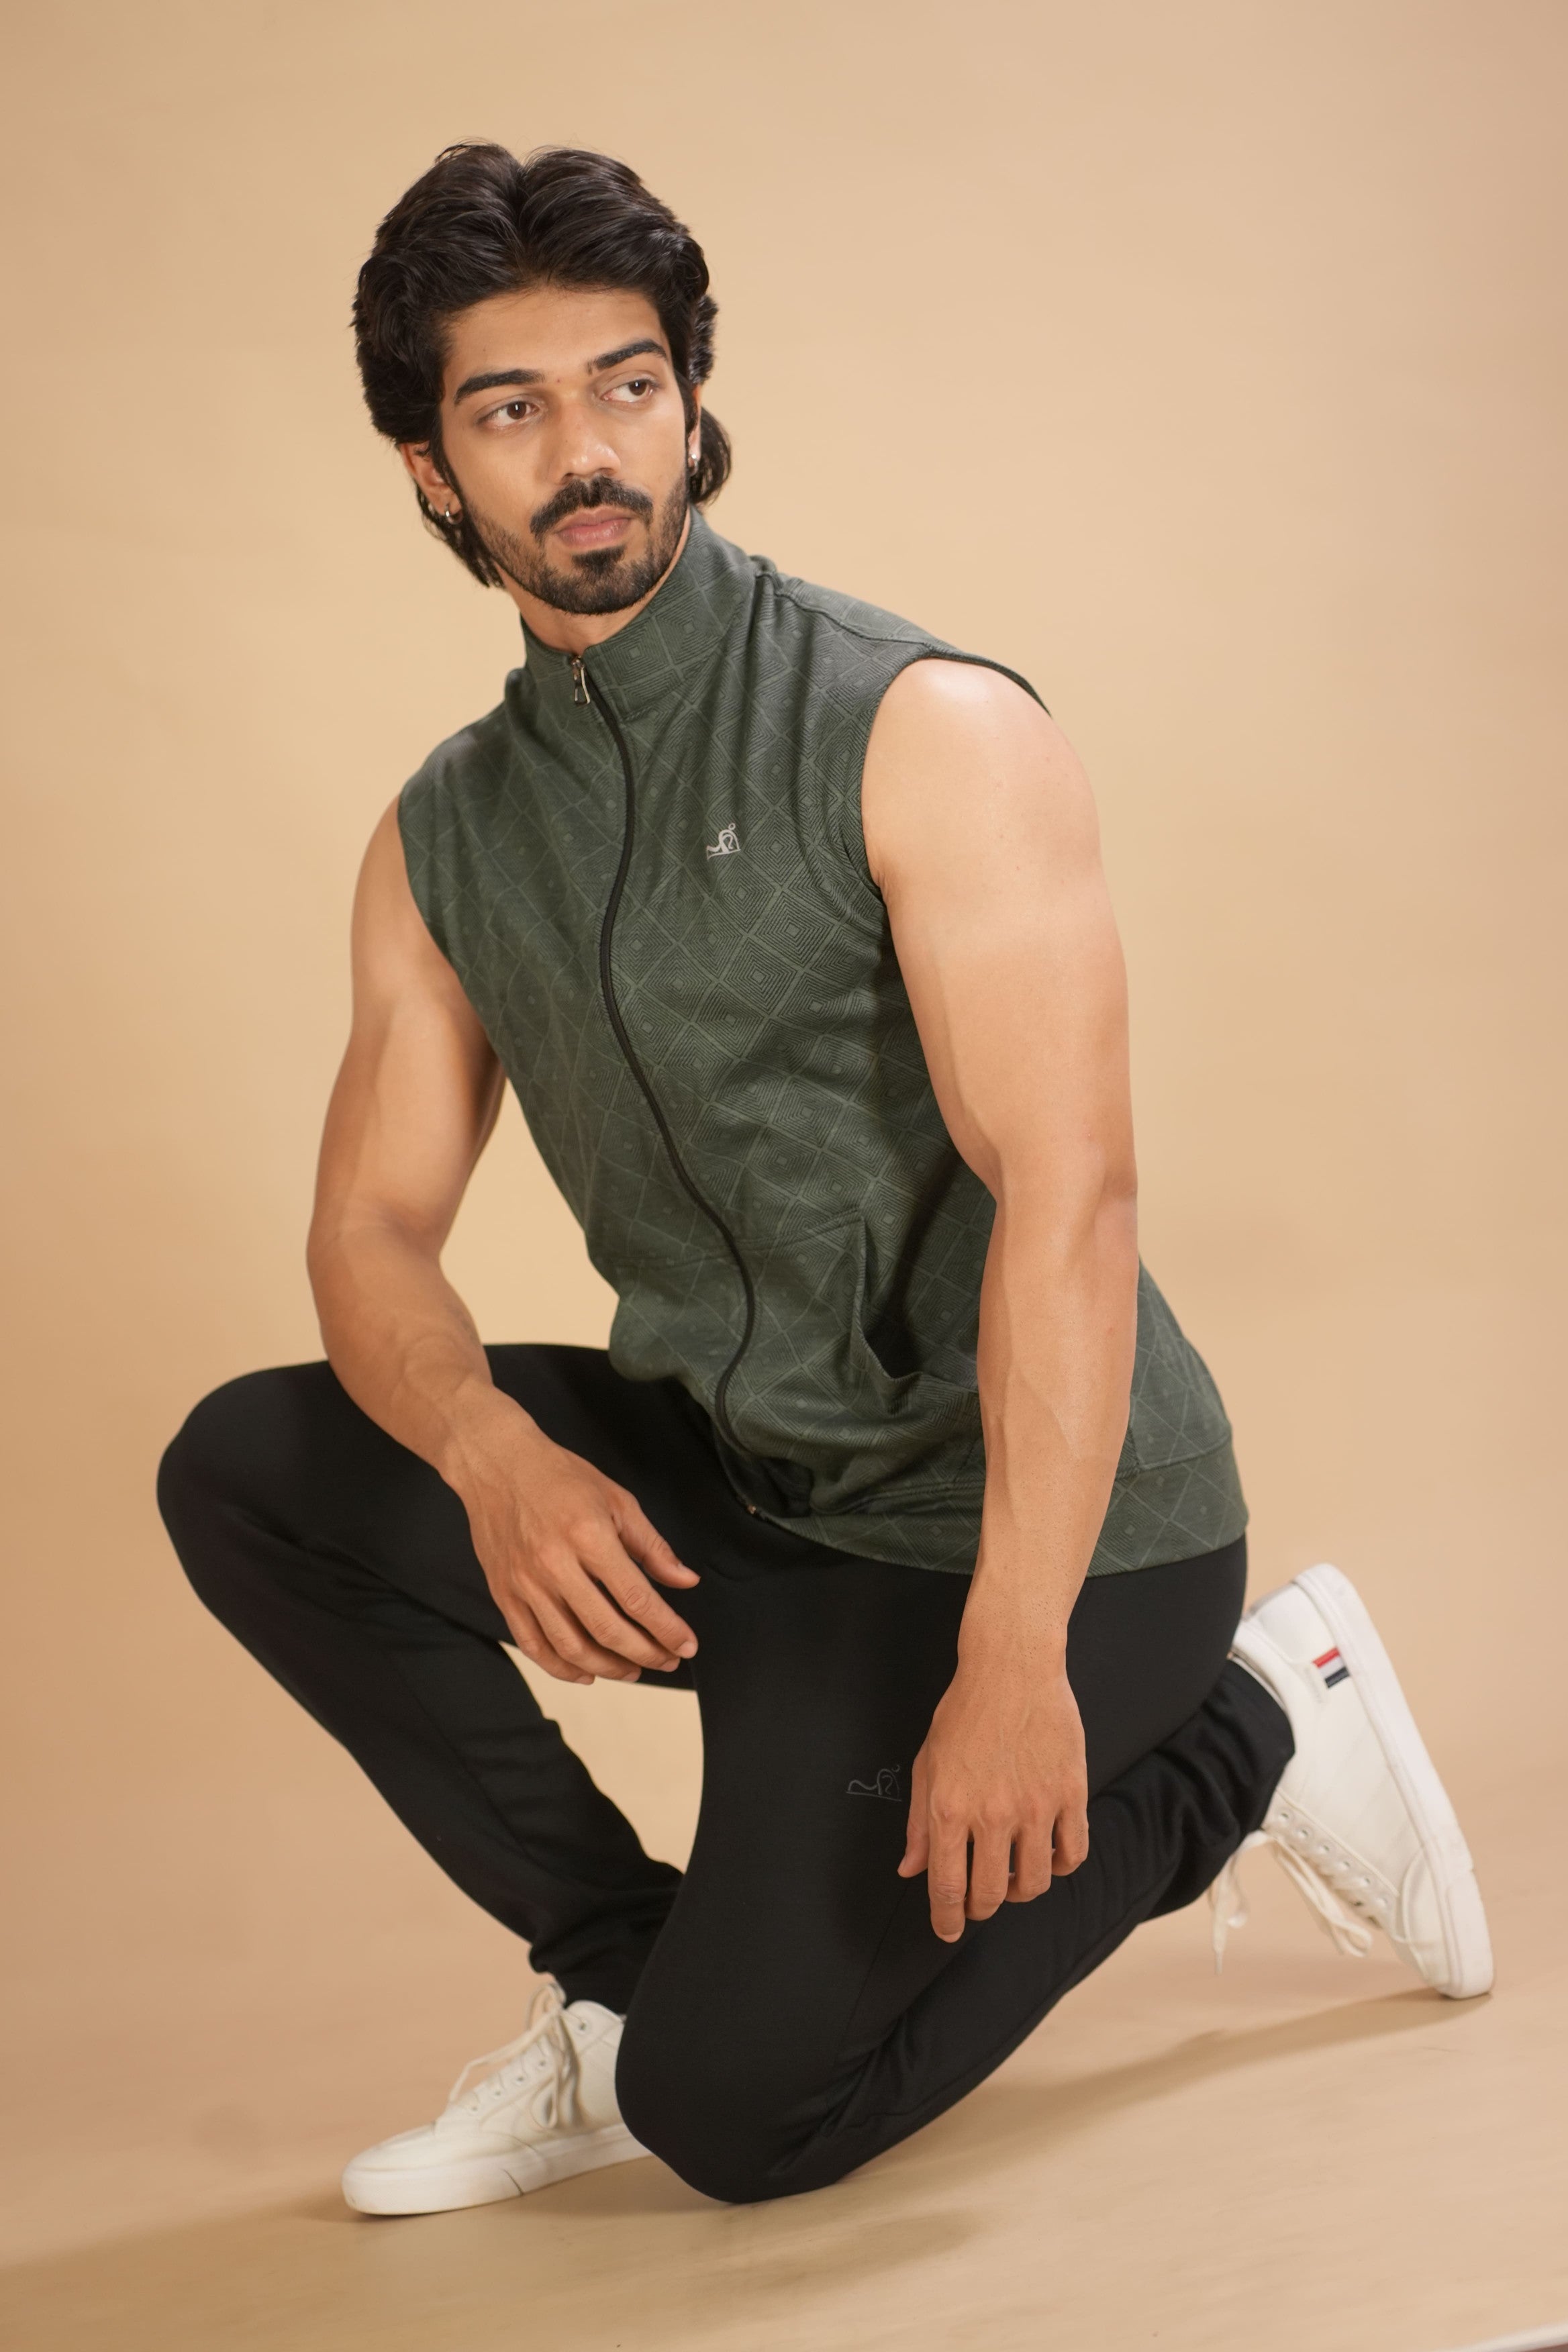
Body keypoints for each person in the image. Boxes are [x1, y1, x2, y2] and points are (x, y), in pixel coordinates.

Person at [157, 143, 1493, 2214]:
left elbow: (1071, 1203)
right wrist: (494, 1459)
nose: (587, 452)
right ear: (431, 468)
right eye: (512, 409)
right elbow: (369, 1230)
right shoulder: (445, 840)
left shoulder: (919, 730)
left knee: (746, 2118)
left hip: (1035, 1534)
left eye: (628, 385)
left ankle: (1258, 1733)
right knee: (253, 1467)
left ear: (689, 401)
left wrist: (1017, 1657)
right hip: (749, 1487)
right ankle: (622, 1984)